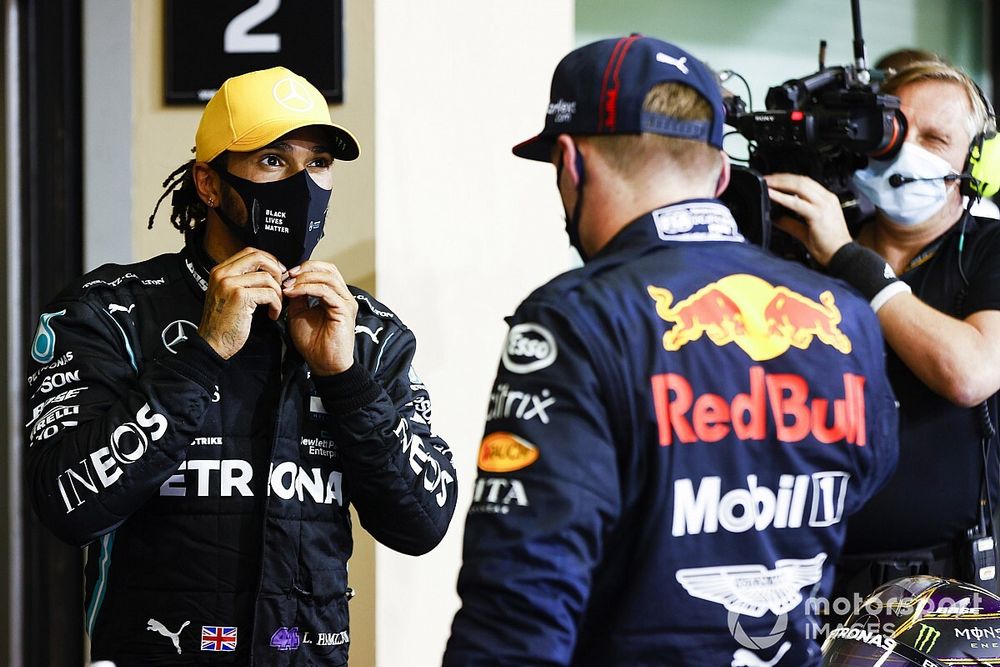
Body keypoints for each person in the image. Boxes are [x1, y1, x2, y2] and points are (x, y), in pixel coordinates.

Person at [443, 35, 899, 666]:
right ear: (718, 173)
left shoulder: (572, 320)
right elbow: (864, 487)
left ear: (570, 162)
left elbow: (521, 597)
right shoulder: (843, 315)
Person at [25, 66, 456, 665]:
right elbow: (64, 502)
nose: (304, 185)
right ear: (208, 183)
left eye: (319, 164)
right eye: (274, 161)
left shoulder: (369, 333)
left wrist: (347, 381)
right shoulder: (109, 312)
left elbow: (423, 523)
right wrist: (202, 356)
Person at [766, 60, 1000, 612]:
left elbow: (969, 373)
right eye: (894, 129)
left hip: (944, 593)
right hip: (805, 582)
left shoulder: (989, 248)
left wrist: (850, 261)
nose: (906, 149)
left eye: (935, 139)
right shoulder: (801, 244)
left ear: (975, 163)